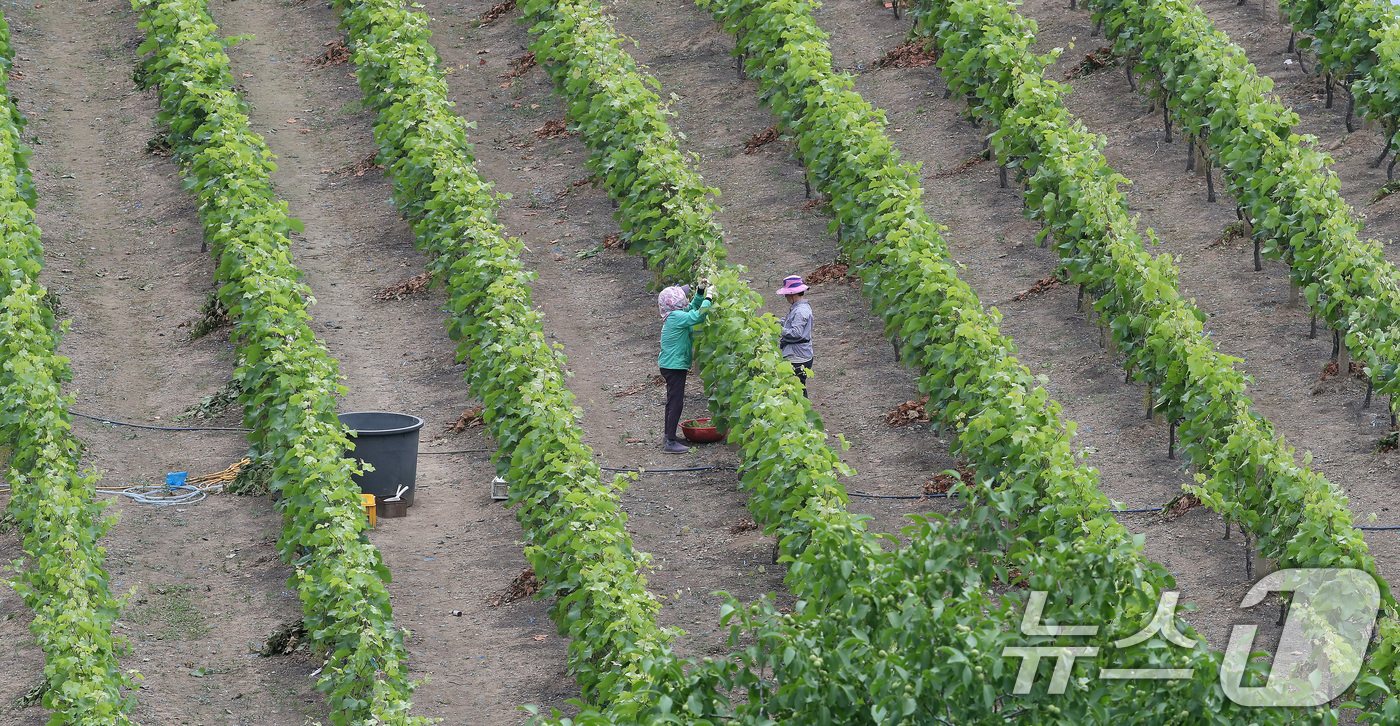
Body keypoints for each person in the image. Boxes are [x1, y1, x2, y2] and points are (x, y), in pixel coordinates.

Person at [657, 281, 715, 454]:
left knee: (672, 401)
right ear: (675, 303)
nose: (686, 301)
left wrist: (700, 292)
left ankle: (668, 435)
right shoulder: (676, 318)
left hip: (670, 365)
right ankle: (671, 442)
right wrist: (709, 298)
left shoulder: (674, 314)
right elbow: (698, 316)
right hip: (674, 367)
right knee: (676, 403)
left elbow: (691, 308)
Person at [777, 275, 813, 397]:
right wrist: (778, 322)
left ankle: (802, 413)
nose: (785, 297)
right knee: (799, 387)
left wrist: (779, 329)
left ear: (792, 295)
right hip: (803, 354)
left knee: (797, 390)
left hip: (798, 356)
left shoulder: (800, 311)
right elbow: (792, 323)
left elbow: (796, 333)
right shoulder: (801, 307)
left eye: (786, 295)